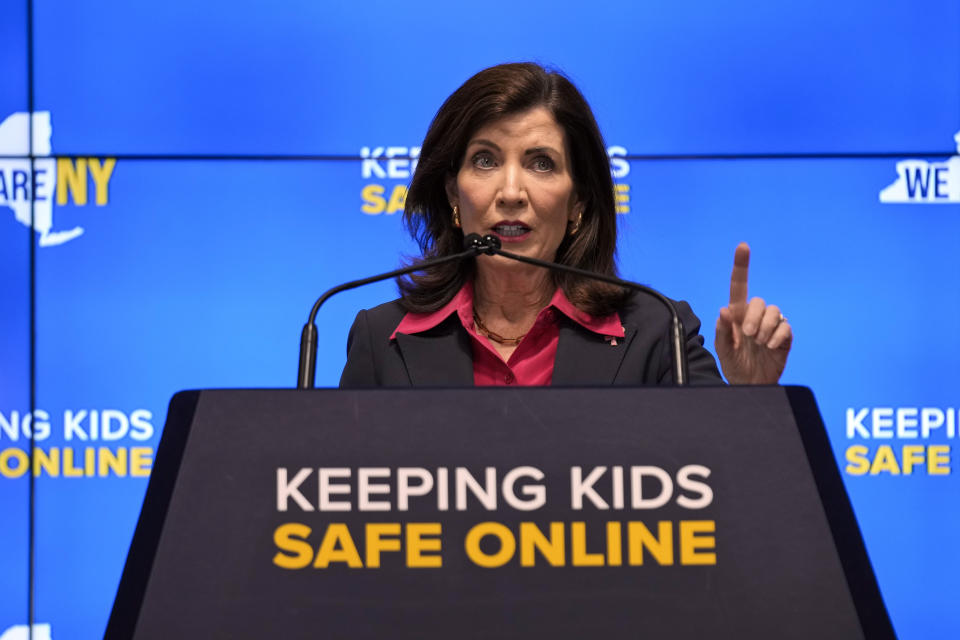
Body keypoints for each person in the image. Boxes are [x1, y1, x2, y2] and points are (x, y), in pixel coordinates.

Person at [340, 62, 792, 388]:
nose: (512, 192)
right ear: (452, 194)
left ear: (578, 201)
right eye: (485, 161)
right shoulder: (382, 341)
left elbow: (725, 500)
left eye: (541, 164)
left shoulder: (659, 333)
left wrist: (752, 396)